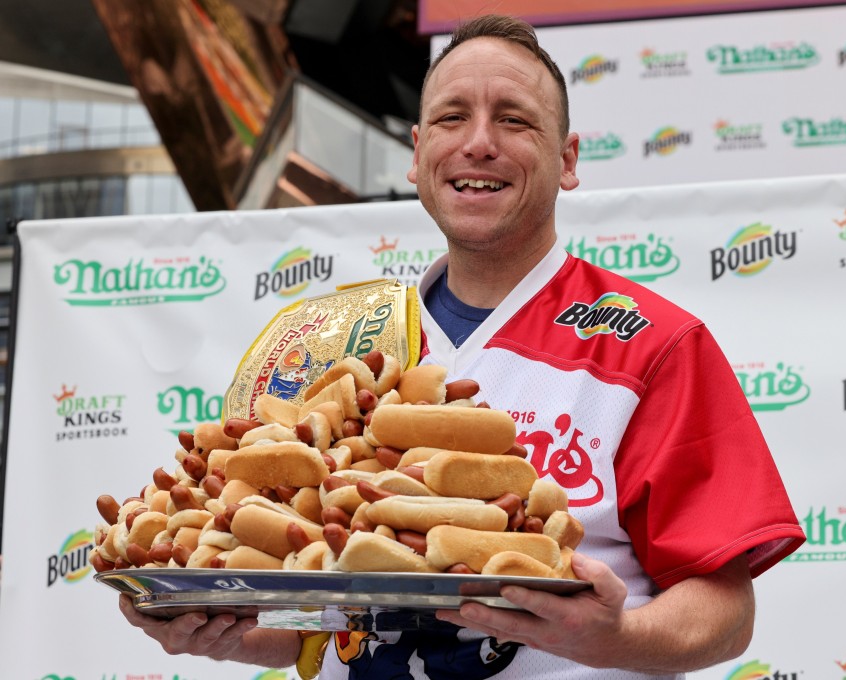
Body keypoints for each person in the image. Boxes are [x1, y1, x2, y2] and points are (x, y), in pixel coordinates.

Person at [119, 14, 805, 679]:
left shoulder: (653, 345)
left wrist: (613, 638)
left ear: (567, 161)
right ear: (418, 157)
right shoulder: (338, 351)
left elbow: (725, 610)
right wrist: (216, 628)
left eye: (514, 119)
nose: (479, 143)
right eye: (452, 119)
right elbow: (326, 626)